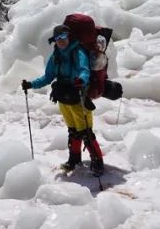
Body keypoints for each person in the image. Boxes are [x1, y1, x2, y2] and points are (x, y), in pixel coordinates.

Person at [22, 24, 105, 174]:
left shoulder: (77, 52)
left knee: (86, 132)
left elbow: (84, 70)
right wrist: (31, 84)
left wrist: (81, 80)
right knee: (73, 131)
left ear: (69, 37)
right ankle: (74, 159)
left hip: (79, 96)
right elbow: (48, 77)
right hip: (64, 98)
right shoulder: (56, 56)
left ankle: (98, 161)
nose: (61, 41)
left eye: (63, 37)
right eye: (57, 38)